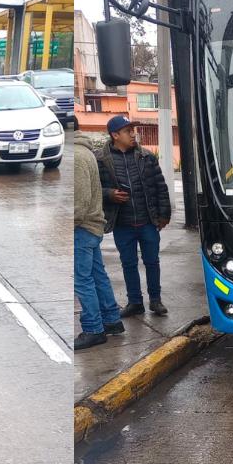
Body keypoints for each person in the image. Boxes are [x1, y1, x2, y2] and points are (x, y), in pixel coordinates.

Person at [96, 115, 172, 317]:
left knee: (152, 262)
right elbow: (95, 189)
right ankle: (135, 302)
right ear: (115, 135)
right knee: (128, 263)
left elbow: (160, 188)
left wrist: (164, 215)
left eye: (133, 130)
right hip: (123, 223)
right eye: (128, 131)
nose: (133, 134)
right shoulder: (101, 160)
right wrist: (109, 194)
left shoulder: (146, 157)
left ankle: (155, 301)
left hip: (148, 222)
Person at [74, 133, 123, 351]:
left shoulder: (75, 156)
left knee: (82, 280)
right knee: (97, 275)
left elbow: (79, 202)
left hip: (82, 227)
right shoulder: (86, 152)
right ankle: (111, 320)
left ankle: (93, 329)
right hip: (92, 225)